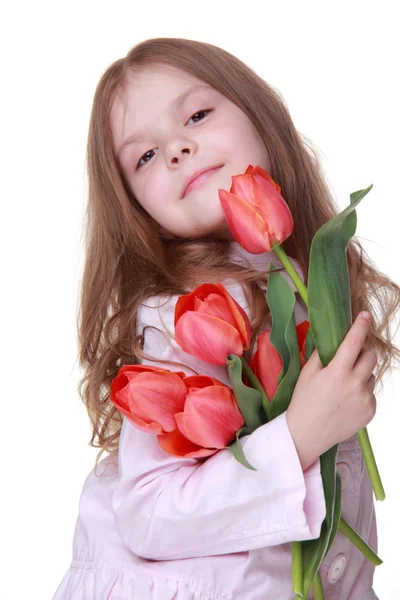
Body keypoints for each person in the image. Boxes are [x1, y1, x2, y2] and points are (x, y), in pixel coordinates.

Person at [53, 37, 400, 600]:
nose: (176, 150)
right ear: (139, 210)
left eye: (196, 114)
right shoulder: (177, 319)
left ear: (258, 112)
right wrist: (296, 439)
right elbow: (149, 515)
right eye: (143, 156)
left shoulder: (308, 282)